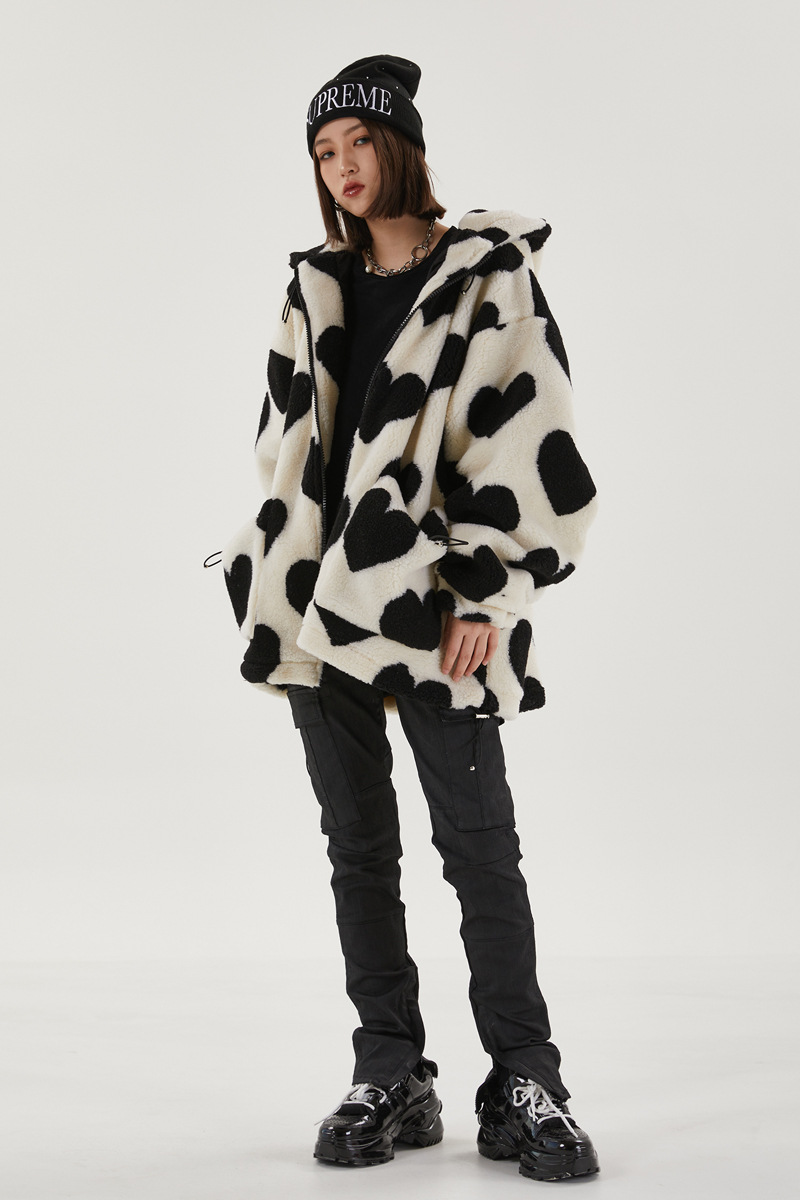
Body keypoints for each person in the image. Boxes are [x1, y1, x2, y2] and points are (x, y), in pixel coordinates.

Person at [219, 54, 600, 1181]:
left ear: (401, 146)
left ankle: (526, 1078)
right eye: (322, 152)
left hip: (436, 607)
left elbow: (533, 441)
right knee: (358, 851)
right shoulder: (314, 288)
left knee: (480, 851)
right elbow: (283, 448)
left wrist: (488, 589)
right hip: (317, 612)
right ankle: (390, 1070)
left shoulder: (486, 274)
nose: (340, 167)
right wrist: (263, 570)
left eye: (357, 143)